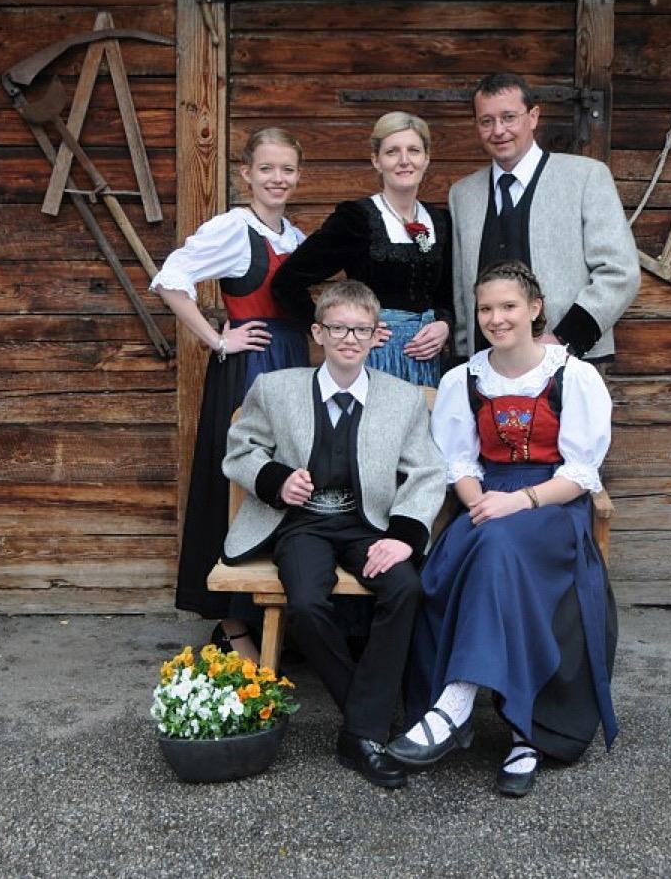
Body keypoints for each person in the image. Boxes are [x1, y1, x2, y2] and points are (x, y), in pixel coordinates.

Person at [388, 260, 617, 799]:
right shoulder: (463, 380)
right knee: (479, 551)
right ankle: (516, 734)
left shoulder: (574, 376)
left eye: (509, 306)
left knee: (497, 548)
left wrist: (519, 502)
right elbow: (460, 465)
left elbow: (581, 474)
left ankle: (460, 706)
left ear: (534, 309)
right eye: (486, 308)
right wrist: (481, 503)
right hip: (487, 502)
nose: (497, 318)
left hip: (552, 506)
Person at [223, 280, 445, 789]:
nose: (350, 338)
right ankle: (367, 721)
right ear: (318, 332)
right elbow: (240, 449)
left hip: (370, 524)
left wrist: (404, 536)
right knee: (305, 603)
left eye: (361, 330)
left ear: (376, 335)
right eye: (339, 328)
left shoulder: (402, 399)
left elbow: (428, 472)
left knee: (405, 588)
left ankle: (359, 731)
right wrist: (276, 480)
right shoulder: (276, 388)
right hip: (301, 525)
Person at [151, 128, 308, 662]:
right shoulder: (234, 229)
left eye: (287, 169)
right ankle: (233, 621)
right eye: (267, 169)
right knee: (238, 484)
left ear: (298, 176)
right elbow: (171, 280)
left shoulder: (295, 237)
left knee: (285, 481)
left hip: (292, 367)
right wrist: (218, 340)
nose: (277, 179)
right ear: (246, 175)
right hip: (250, 371)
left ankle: (273, 611)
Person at [448, 72, 639, 364]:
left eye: (509, 117)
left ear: (533, 116)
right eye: (486, 121)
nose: (498, 130)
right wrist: (465, 359)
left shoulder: (586, 177)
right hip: (486, 367)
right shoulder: (463, 194)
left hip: (570, 361)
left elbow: (620, 272)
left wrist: (565, 339)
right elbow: (462, 293)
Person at [272, 111, 452, 387]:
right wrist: (346, 333)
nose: (404, 160)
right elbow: (287, 282)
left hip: (428, 360)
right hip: (373, 358)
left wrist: (444, 324)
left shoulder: (440, 220)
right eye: (392, 152)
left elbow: (447, 294)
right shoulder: (356, 219)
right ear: (376, 160)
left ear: (426, 159)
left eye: (414, 151)